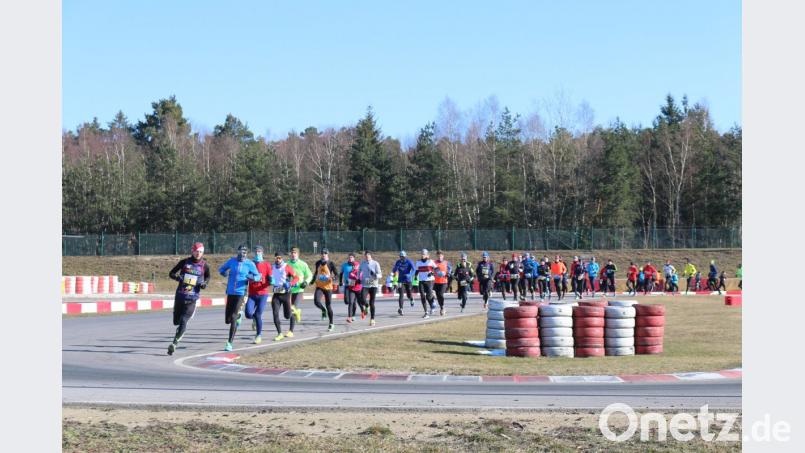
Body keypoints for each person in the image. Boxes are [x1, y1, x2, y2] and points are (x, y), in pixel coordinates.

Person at [166, 242, 211, 355]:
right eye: (196, 251)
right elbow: (171, 273)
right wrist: (178, 278)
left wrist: (205, 284)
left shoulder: (204, 265)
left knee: (183, 320)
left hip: (192, 298)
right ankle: (179, 331)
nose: (198, 254)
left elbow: (208, 276)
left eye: (200, 252)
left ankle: (174, 343)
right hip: (180, 296)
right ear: (192, 251)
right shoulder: (184, 262)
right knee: (176, 321)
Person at [218, 245, 261, 351]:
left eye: (245, 252)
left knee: (233, 317)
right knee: (228, 320)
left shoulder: (249, 264)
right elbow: (221, 269)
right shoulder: (232, 261)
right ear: (237, 252)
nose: (243, 254)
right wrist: (224, 273)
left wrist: (252, 277)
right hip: (231, 292)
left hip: (242, 293)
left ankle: (229, 343)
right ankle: (238, 315)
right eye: (241, 252)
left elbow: (258, 276)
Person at [269, 252, 299, 341]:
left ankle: (295, 312)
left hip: (286, 294)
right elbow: (268, 277)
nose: (278, 260)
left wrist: (290, 283)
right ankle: (279, 333)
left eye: (279, 258)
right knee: (275, 313)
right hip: (276, 294)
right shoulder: (272, 267)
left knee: (287, 316)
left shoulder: (287, 267)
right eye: (276, 258)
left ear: (282, 258)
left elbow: (296, 278)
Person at [245, 245, 271, 344]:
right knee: (248, 314)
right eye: (256, 251)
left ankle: (258, 335)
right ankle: (254, 319)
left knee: (258, 314)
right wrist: (250, 277)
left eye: (259, 251)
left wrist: (268, 280)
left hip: (263, 294)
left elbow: (270, 279)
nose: (257, 253)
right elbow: (245, 276)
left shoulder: (267, 265)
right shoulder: (250, 264)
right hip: (252, 294)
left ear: (262, 253)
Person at [311, 248, 338, 332]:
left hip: (328, 287)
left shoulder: (331, 263)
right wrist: (312, 280)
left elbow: (337, 275)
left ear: (328, 254)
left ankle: (331, 324)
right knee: (316, 301)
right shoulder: (318, 263)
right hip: (319, 286)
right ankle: (323, 310)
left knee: (328, 305)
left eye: (325, 253)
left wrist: (332, 277)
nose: (323, 255)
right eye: (322, 253)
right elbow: (316, 273)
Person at [287, 247, 312, 323]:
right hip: (290, 289)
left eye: (295, 253)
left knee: (293, 307)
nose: (293, 254)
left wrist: (305, 282)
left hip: (299, 289)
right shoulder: (287, 264)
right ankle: (298, 312)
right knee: (291, 309)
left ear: (298, 254)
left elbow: (310, 275)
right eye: (292, 253)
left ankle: (291, 329)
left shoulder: (303, 264)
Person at [340, 253, 366, 323]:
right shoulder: (351, 273)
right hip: (351, 289)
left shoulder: (360, 272)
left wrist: (359, 280)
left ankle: (363, 311)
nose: (355, 267)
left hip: (358, 289)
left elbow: (361, 280)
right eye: (354, 266)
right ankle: (349, 317)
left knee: (360, 302)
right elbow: (351, 282)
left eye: (356, 266)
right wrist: (352, 281)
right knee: (351, 302)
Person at [359, 250, 382, 326]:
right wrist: (359, 278)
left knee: (372, 302)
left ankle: (372, 319)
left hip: (373, 285)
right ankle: (366, 305)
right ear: (364, 256)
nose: (367, 256)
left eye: (368, 255)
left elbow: (380, 275)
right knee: (362, 299)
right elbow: (359, 272)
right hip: (365, 284)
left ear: (371, 256)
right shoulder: (362, 263)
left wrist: (375, 274)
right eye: (366, 255)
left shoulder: (375, 263)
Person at [391, 251, 416, 315]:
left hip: (408, 280)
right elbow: (394, 270)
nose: (401, 258)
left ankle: (411, 299)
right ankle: (401, 309)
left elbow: (414, 270)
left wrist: (410, 275)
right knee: (401, 294)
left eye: (403, 257)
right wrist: (395, 269)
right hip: (400, 281)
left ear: (405, 257)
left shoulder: (409, 261)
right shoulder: (398, 262)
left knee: (408, 295)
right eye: (400, 257)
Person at [415, 249, 437, 318]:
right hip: (421, 281)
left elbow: (437, 269)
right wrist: (415, 277)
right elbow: (417, 271)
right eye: (421, 254)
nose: (422, 255)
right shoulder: (418, 262)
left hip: (430, 280)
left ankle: (433, 299)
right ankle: (426, 312)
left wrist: (432, 272)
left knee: (428, 296)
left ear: (427, 255)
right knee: (422, 295)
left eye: (424, 254)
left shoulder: (430, 262)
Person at [432, 250, 450, 316]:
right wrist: (432, 273)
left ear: (443, 256)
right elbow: (431, 269)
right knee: (438, 296)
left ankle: (442, 308)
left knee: (440, 294)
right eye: (438, 255)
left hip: (443, 282)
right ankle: (442, 307)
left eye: (441, 255)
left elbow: (450, 270)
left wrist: (448, 273)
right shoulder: (434, 262)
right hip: (436, 282)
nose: (439, 257)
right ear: (437, 256)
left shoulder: (446, 263)